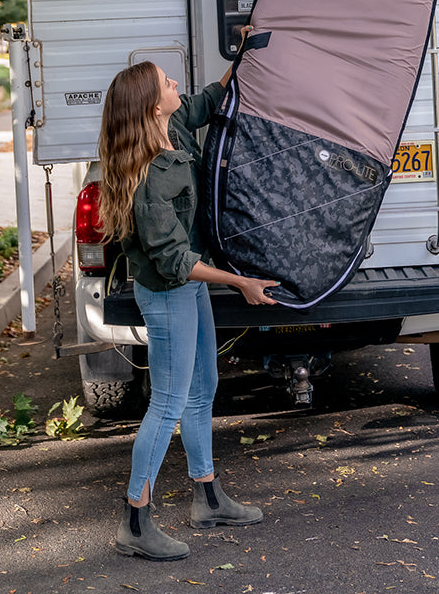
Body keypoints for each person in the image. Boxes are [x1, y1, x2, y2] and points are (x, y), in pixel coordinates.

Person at [98, 57, 278, 562]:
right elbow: (175, 262)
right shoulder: (148, 178)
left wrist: (240, 57)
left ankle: (208, 497)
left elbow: (204, 102)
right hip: (169, 290)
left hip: (189, 285)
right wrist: (240, 282)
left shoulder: (169, 123)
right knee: (169, 402)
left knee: (204, 388)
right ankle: (135, 518)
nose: (177, 84)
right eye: (167, 83)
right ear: (153, 104)